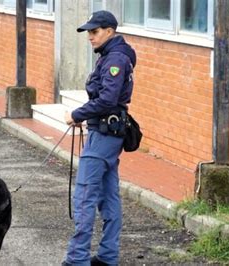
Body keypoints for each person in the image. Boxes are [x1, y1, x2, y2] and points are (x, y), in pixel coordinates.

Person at [62, 10, 136, 266]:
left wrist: (76, 114)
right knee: (108, 196)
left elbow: (107, 100)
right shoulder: (112, 56)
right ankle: (107, 257)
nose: (90, 37)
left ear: (109, 31)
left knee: (84, 196)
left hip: (104, 134)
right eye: (88, 32)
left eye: (94, 32)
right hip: (106, 133)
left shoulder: (116, 58)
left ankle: (77, 259)